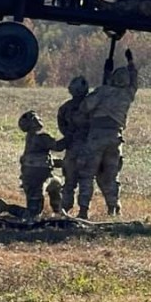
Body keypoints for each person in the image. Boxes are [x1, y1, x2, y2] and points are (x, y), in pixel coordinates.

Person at [76, 49, 138, 219]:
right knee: (110, 176)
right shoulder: (128, 94)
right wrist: (131, 62)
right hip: (115, 139)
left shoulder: (103, 92)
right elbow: (134, 81)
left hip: (97, 136)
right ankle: (113, 208)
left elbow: (86, 107)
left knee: (88, 173)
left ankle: (83, 210)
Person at [0, 110, 64, 220]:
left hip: (45, 177)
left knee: (56, 184)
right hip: (35, 180)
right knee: (33, 214)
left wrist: (61, 163)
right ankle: (4, 207)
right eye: (35, 119)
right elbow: (58, 146)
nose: (38, 120)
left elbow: (42, 158)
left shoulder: (32, 139)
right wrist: (72, 136)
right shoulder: (41, 138)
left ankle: (58, 212)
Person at [56, 75, 90, 213]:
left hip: (71, 147)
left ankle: (65, 209)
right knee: (85, 180)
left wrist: (69, 136)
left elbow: (61, 125)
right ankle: (83, 210)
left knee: (69, 181)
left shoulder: (65, 108)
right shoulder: (92, 105)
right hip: (88, 148)